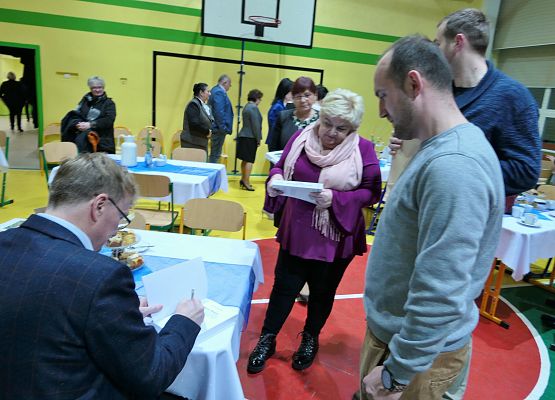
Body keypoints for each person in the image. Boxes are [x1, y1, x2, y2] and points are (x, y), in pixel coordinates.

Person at [357, 35, 504, 400]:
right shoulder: (441, 149)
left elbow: (441, 288)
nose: (381, 110)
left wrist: (397, 372)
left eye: (382, 95)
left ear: (413, 84)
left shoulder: (453, 166)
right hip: (407, 347)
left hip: (413, 359)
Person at [0, 153, 205, 399]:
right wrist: (185, 321)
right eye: (120, 218)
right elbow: (152, 375)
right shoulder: (100, 275)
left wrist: (118, 315)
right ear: (99, 206)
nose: (114, 233)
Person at [247, 88, 382, 374]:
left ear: (353, 128)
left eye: (341, 128)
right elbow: (280, 167)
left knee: (322, 292)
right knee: (283, 288)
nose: (331, 132)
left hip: (335, 236)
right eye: (327, 123)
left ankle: (310, 339)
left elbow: (371, 191)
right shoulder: (301, 137)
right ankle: (267, 339)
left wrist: (338, 199)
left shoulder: (363, 149)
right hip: (297, 230)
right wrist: (276, 179)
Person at [389, 8, 541, 213]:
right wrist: (405, 141)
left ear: (458, 43)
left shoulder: (512, 97)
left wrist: (457, 170)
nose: (435, 51)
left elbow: (526, 172)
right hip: (423, 206)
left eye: (438, 43)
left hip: (469, 213)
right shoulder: (437, 90)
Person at [61, 76, 116, 153]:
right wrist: (78, 124)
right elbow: (77, 114)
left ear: (103, 87)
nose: (97, 90)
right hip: (83, 140)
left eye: (99, 87)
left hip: (102, 141)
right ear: (90, 88)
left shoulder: (109, 103)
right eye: (94, 88)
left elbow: (109, 120)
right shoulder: (85, 101)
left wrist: (90, 125)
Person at [268, 76, 320, 152]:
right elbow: (273, 149)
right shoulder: (283, 117)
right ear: (293, 98)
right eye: (298, 96)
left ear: (315, 96)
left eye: (307, 95)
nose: (302, 100)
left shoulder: (322, 119)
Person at [237, 89, 263, 191]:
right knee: (249, 161)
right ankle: (246, 182)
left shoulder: (246, 106)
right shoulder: (253, 108)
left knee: (245, 160)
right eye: (260, 99)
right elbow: (256, 125)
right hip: (250, 137)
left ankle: (243, 179)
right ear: (256, 98)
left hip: (244, 136)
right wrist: (258, 138)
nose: (260, 101)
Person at [180, 82, 214, 152]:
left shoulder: (202, 105)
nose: (210, 94)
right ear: (201, 92)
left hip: (200, 143)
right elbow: (194, 124)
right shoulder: (193, 105)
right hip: (192, 143)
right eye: (208, 91)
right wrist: (207, 132)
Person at [207, 74, 234, 163]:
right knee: (215, 154)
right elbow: (219, 112)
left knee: (215, 153)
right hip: (218, 129)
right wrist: (223, 128)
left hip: (216, 127)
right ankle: (212, 175)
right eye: (229, 85)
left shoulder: (214, 90)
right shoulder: (219, 92)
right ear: (225, 82)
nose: (229, 87)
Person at [266, 78, 293, 146]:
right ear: (285, 92)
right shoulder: (278, 107)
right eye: (291, 92)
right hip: (275, 142)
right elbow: (275, 127)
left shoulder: (282, 105)